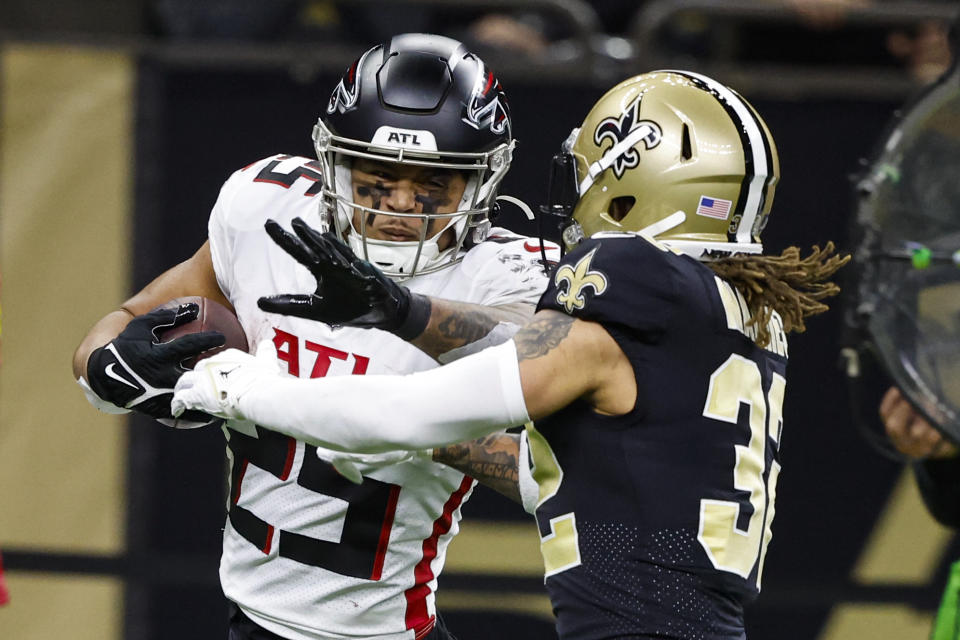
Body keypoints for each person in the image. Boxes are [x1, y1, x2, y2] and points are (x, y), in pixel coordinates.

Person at [172, 70, 850, 639]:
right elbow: (550, 466)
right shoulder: (741, 311)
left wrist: (230, 386)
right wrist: (406, 325)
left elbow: (409, 413)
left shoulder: (637, 281)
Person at [73, 33, 560, 640]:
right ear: (335, 163)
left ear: (481, 183)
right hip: (249, 617)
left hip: (385, 626)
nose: (400, 208)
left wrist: (417, 409)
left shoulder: (509, 272)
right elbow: (122, 322)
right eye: (376, 182)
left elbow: (542, 361)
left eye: (433, 185)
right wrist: (107, 365)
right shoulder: (268, 210)